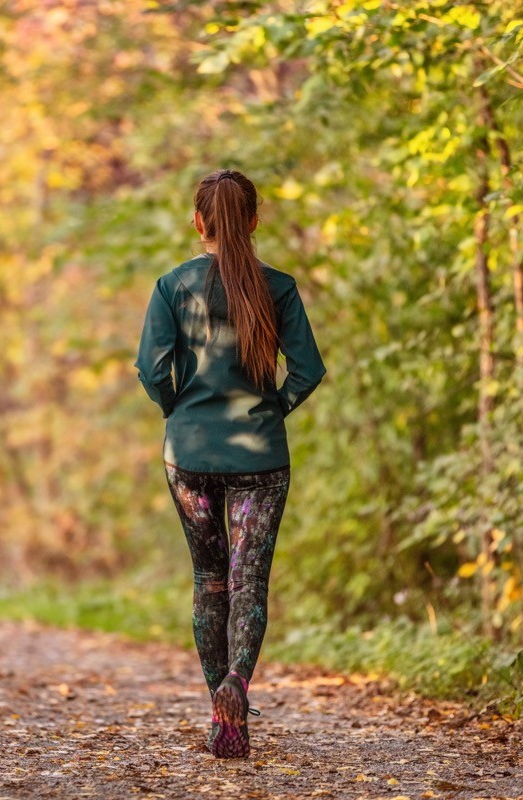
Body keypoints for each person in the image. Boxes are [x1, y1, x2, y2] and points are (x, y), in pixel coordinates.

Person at [135, 169, 325, 759]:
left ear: (199, 223)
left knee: (208, 580)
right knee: (250, 582)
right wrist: (272, 410)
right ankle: (237, 685)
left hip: (188, 455)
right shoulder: (279, 287)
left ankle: (224, 723)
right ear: (253, 221)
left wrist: (179, 411)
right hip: (261, 456)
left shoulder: (172, 285)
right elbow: (307, 371)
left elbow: (150, 369)